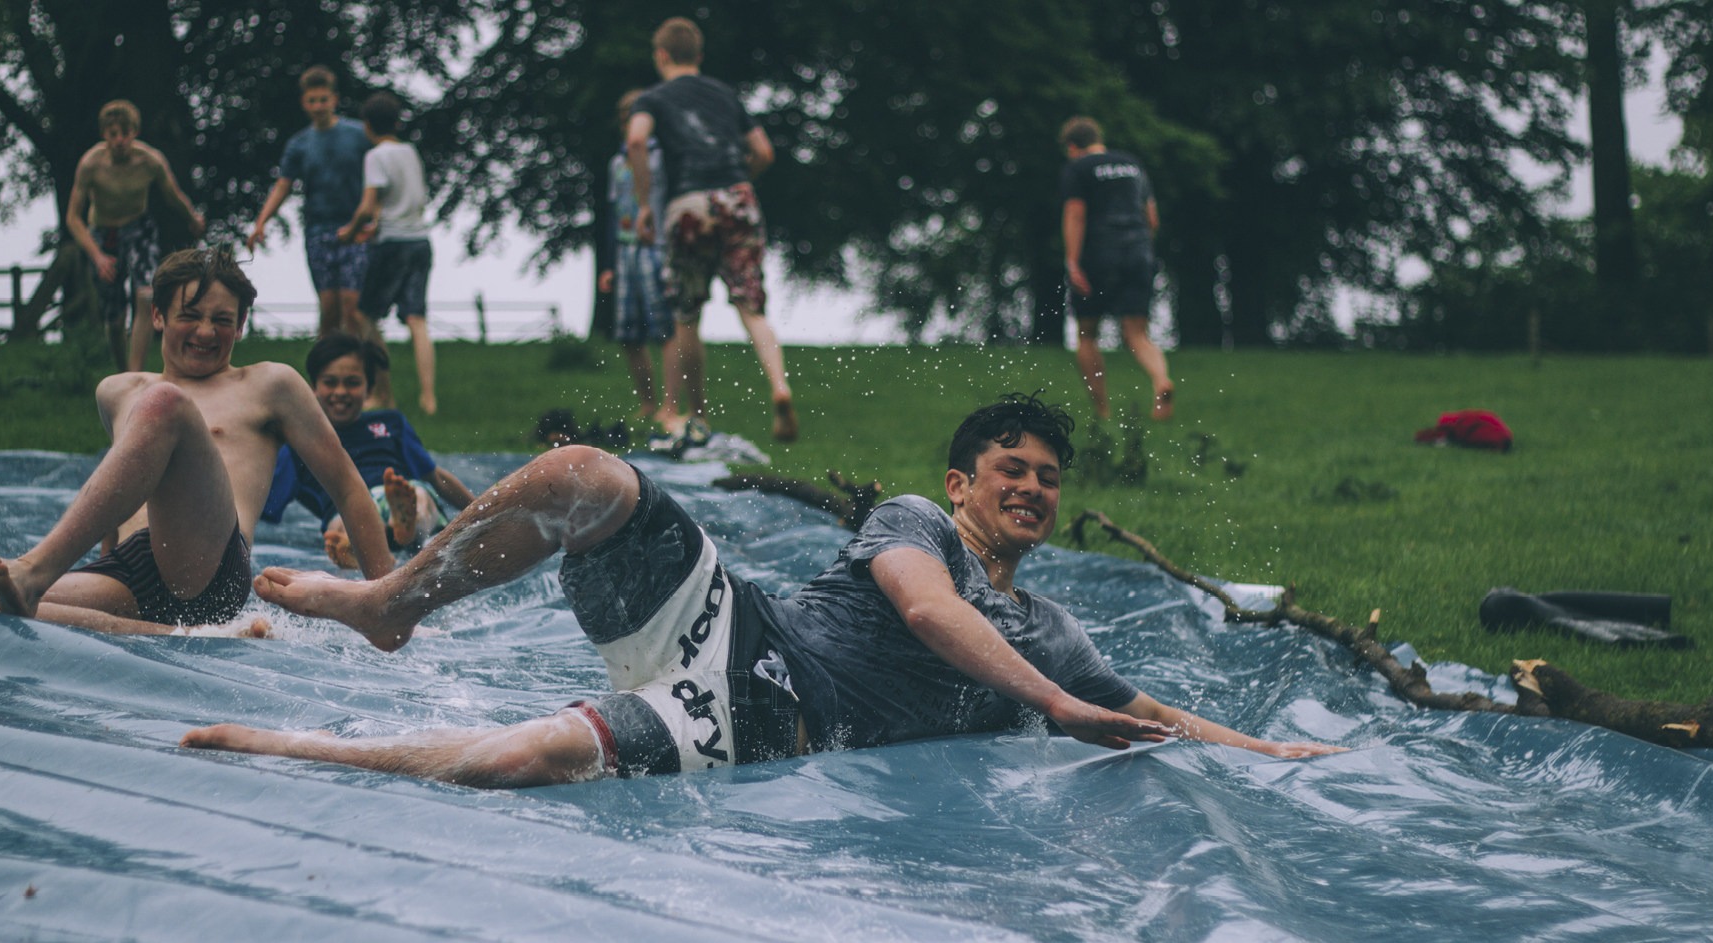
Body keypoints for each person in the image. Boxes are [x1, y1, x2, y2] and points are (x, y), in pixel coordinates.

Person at [183, 393, 1345, 787]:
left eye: (1048, 479)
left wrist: (1271, 754)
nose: (1032, 491)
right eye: (1011, 472)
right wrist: (1053, 704)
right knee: (587, 473)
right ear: (962, 482)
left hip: (775, 717)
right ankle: (394, 597)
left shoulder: (1054, 628)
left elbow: (1148, 712)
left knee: (518, 764)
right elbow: (928, 611)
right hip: (739, 626)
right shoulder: (915, 521)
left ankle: (300, 750)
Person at [0, 249, 395, 636]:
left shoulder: (269, 385)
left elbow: (348, 487)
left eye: (222, 320)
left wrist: (387, 603)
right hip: (130, 570)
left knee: (165, 403)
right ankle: (181, 635)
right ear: (158, 316)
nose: (206, 332)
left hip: (208, 568)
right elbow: (122, 486)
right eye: (190, 315)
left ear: (241, 325)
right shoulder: (116, 391)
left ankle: (33, 570)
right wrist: (102, 561)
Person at [627, 17, 798, 447]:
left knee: (687, 314)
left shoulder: (652, 98)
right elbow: (762, 151)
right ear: (698, 57)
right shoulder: (725, 95)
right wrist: (743, 180)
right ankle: (780, 387)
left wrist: (646, 204)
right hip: (737, 197)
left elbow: (635, 141)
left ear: (661, 55)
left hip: (688, 203)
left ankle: (699, 415)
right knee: (752, 306)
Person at [261, 334, 475, 569]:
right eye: (330, 382)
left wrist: (478, 508)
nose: (341, 391)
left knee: (419, 498)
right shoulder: (300, 444)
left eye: (352, 383)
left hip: (398, 492)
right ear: (313, 387)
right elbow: (261, 497)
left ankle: (398, 530)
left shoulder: (390, 423)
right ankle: (370, 545)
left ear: (370, 389)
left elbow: (435, 477)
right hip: (348, 510)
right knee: (342, 523)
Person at [65, 100, 206, 373]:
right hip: (103, 236)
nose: (119, 140)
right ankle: (122, 374)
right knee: (115, 317)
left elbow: (173, 195)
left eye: (125, 133)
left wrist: (192, 218)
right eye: (113, 133)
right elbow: (73, 218)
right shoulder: (91, 165)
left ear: (135, 132)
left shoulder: (150, 161)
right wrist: (97, 256)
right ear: (104, 134)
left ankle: (136, 372)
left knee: (145, 294)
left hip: (139, 229)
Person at [247, 66, 374, 350]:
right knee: (329, 310)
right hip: (319, 230)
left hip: (356, 229)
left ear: (335, 99)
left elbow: (378, 179)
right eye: (313, 101)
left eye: (323, 100)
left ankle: (360, 377)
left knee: (352, 309)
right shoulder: (299, 144)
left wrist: (377, 218)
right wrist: (261, 222)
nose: (318, 106)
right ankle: (324, 378)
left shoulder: (358, 135)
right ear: (304, 102)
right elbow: (283, 185)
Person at [1059, 117, 1173, 421]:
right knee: (1137, 334)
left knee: (1087, 334)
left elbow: (1076, 213)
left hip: (1098, 253)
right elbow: (1152, 218)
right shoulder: (1131, 164)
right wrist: (1140, 249)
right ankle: (1161, 380)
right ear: (1098, 138)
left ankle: (1103, 412)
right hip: (1138, 252)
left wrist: (1072, 261)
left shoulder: (1077, 168)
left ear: (1072, 147)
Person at [340, 92, 437, 414]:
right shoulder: (410, 152)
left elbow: (369, 205)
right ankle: (429, 399)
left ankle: (383, 395)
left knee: (365, 317)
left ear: (367, 126)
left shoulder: (376, 156)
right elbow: (405, 199)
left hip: (393, 244)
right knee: (417, 319)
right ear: (397, 122)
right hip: (420, 241)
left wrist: (351, 232)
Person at [597, 88, 683, 427]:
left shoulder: (664, 158)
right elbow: (612, 211)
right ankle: (648, 403)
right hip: (624, 250)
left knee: (667, 329)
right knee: (629, 333)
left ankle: (671, 405)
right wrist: (608, 263)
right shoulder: (616, 162)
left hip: (657, 248)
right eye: (623, 119)